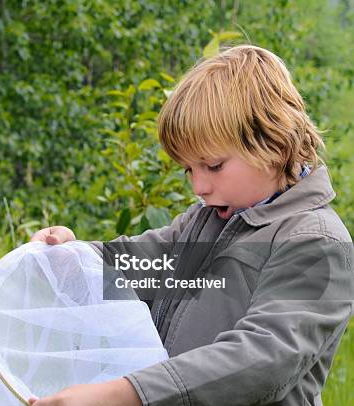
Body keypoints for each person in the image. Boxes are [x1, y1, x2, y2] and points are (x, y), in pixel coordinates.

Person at [30, 45, 353, 405]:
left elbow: (263, 359)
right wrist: (72, 256)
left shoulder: (316, 243)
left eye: (213, 166)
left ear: (274, 144)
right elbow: (135, 266)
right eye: (189, 170)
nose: (199, 187)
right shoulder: (203, 222)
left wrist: (129, 394)